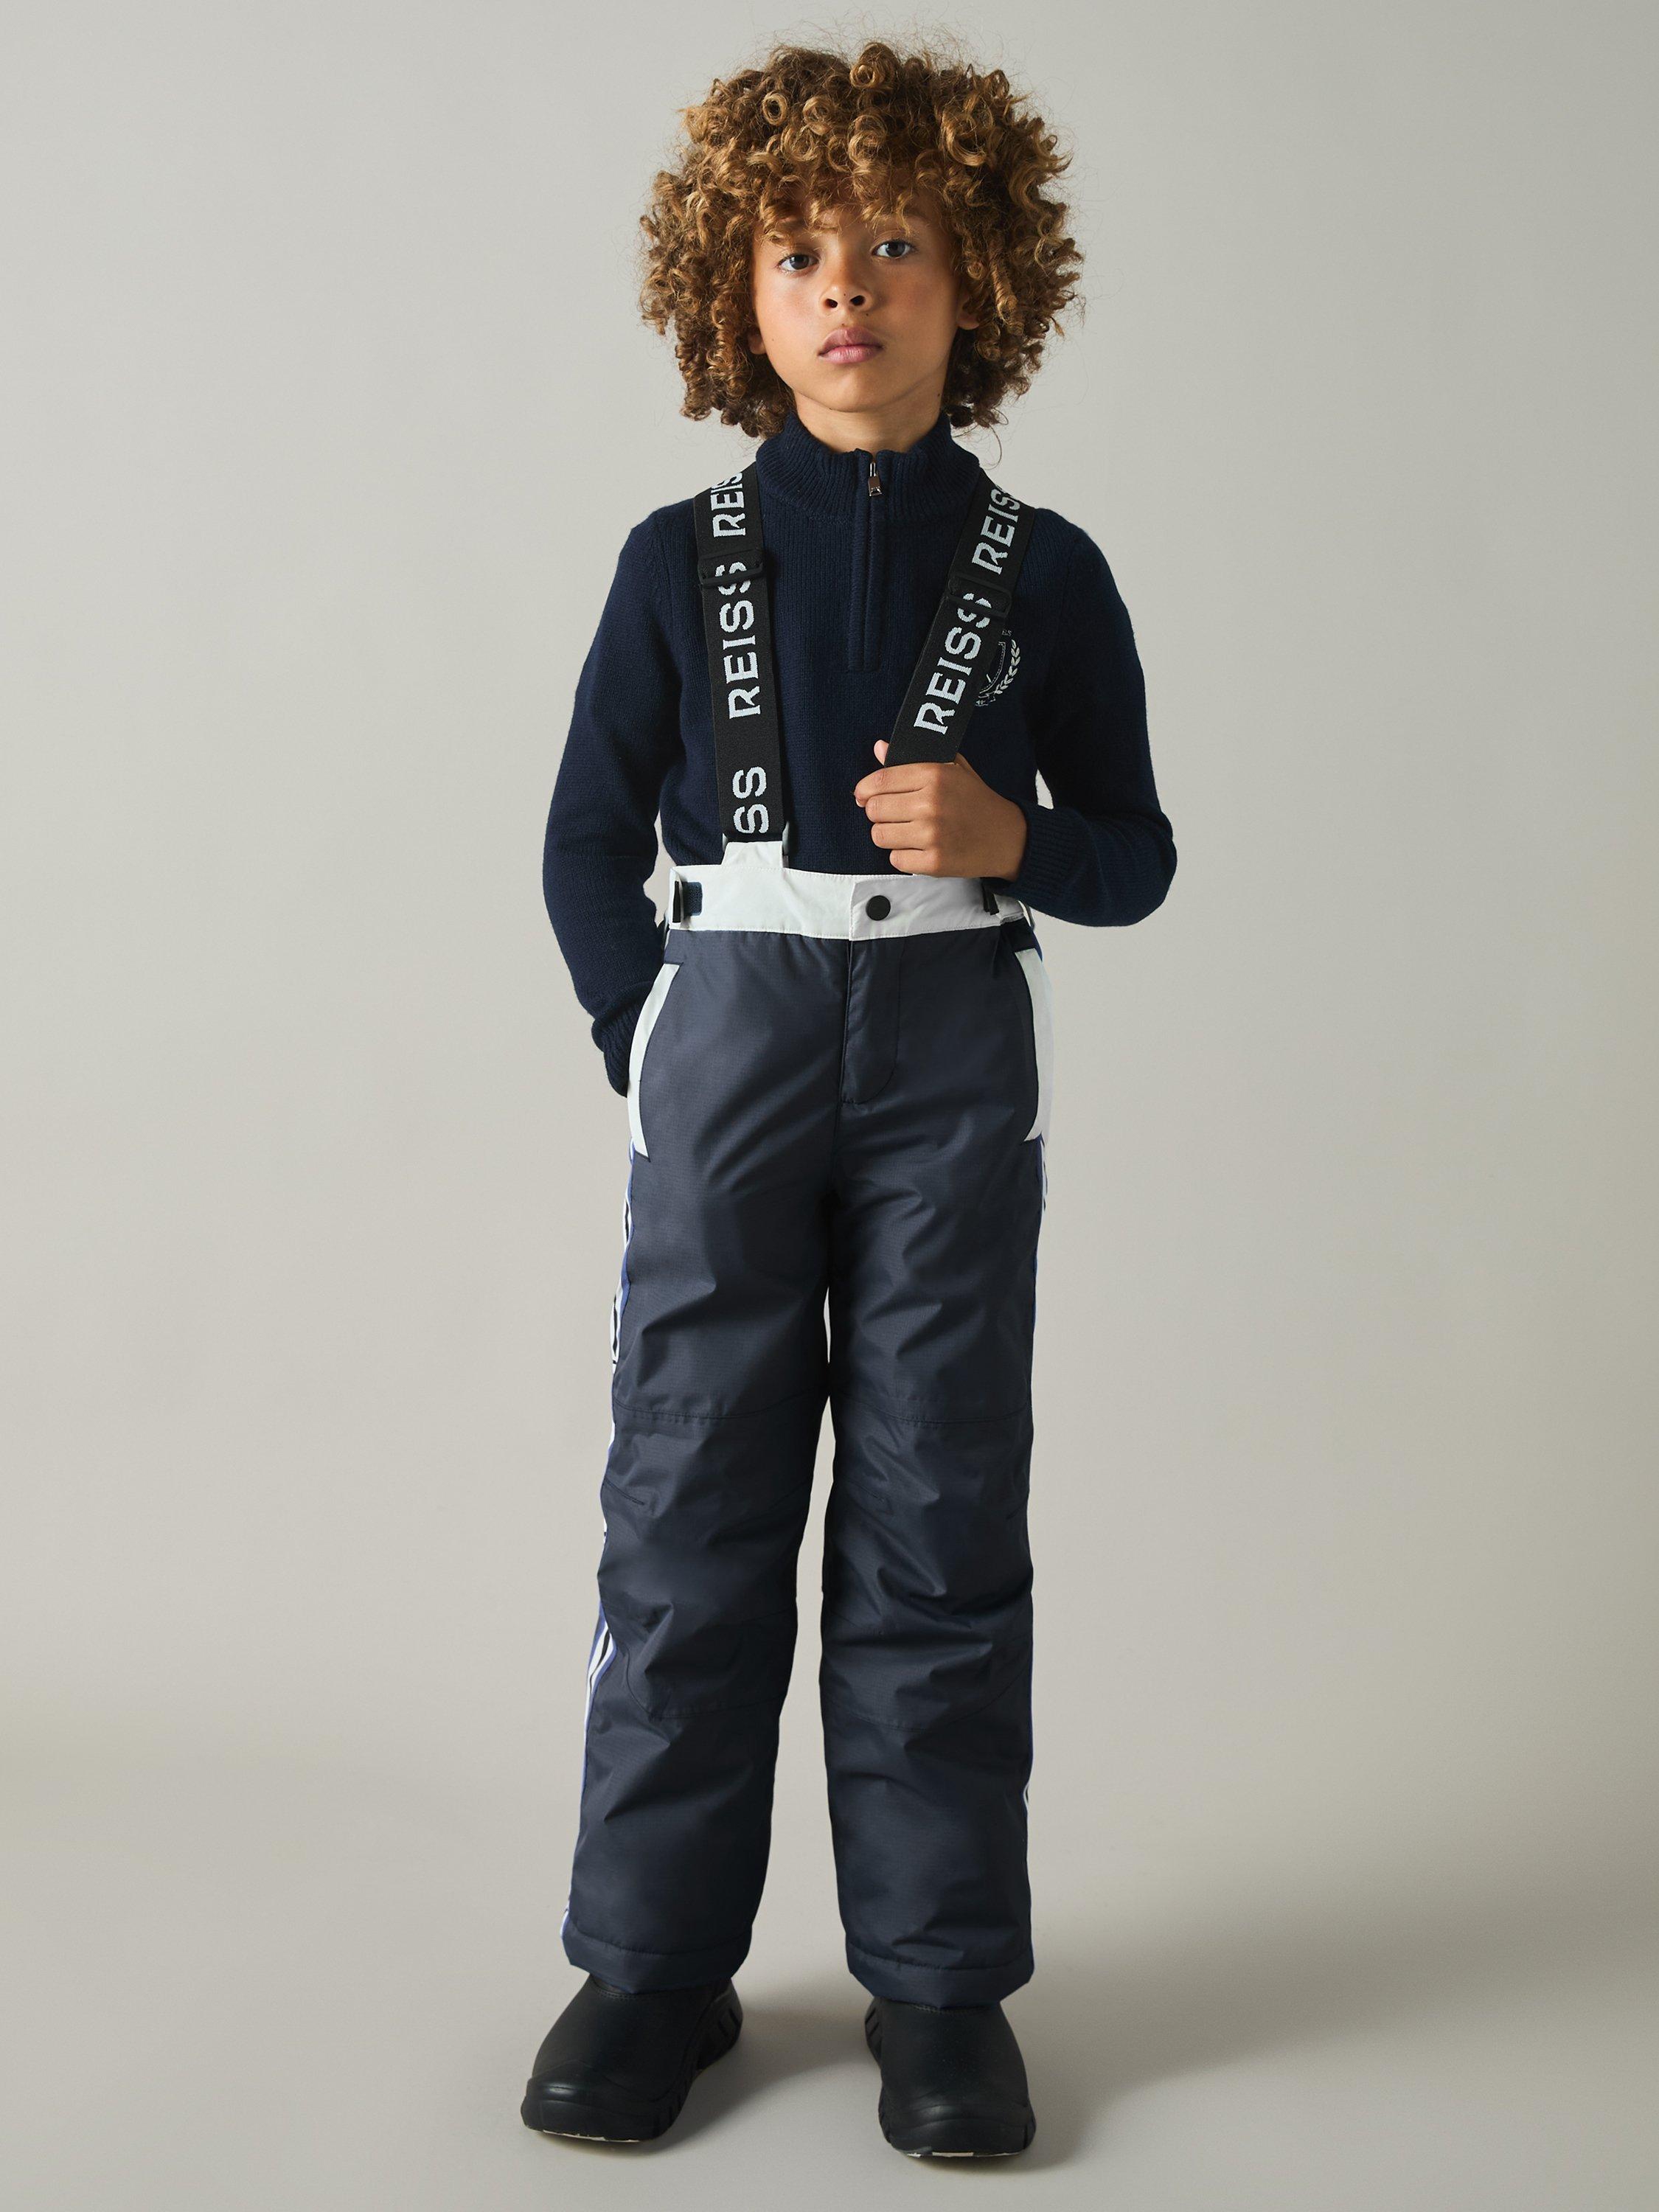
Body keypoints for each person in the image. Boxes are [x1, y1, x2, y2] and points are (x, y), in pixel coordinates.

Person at [521, 37, 1175, 2158]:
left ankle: (940, 1987)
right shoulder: (673, 555)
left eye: (894, 245)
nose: (847, 290)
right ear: (737, 291)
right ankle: (650, 1968)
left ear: (979, 278)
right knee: (688, 1496)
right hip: (726, 1042)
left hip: (951, 1052)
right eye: (799, 252)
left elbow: (1136, 855)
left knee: (937, 1504)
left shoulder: (1048, 569)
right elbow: (580, 840)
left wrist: (1013, 834)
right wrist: (645, 1038)